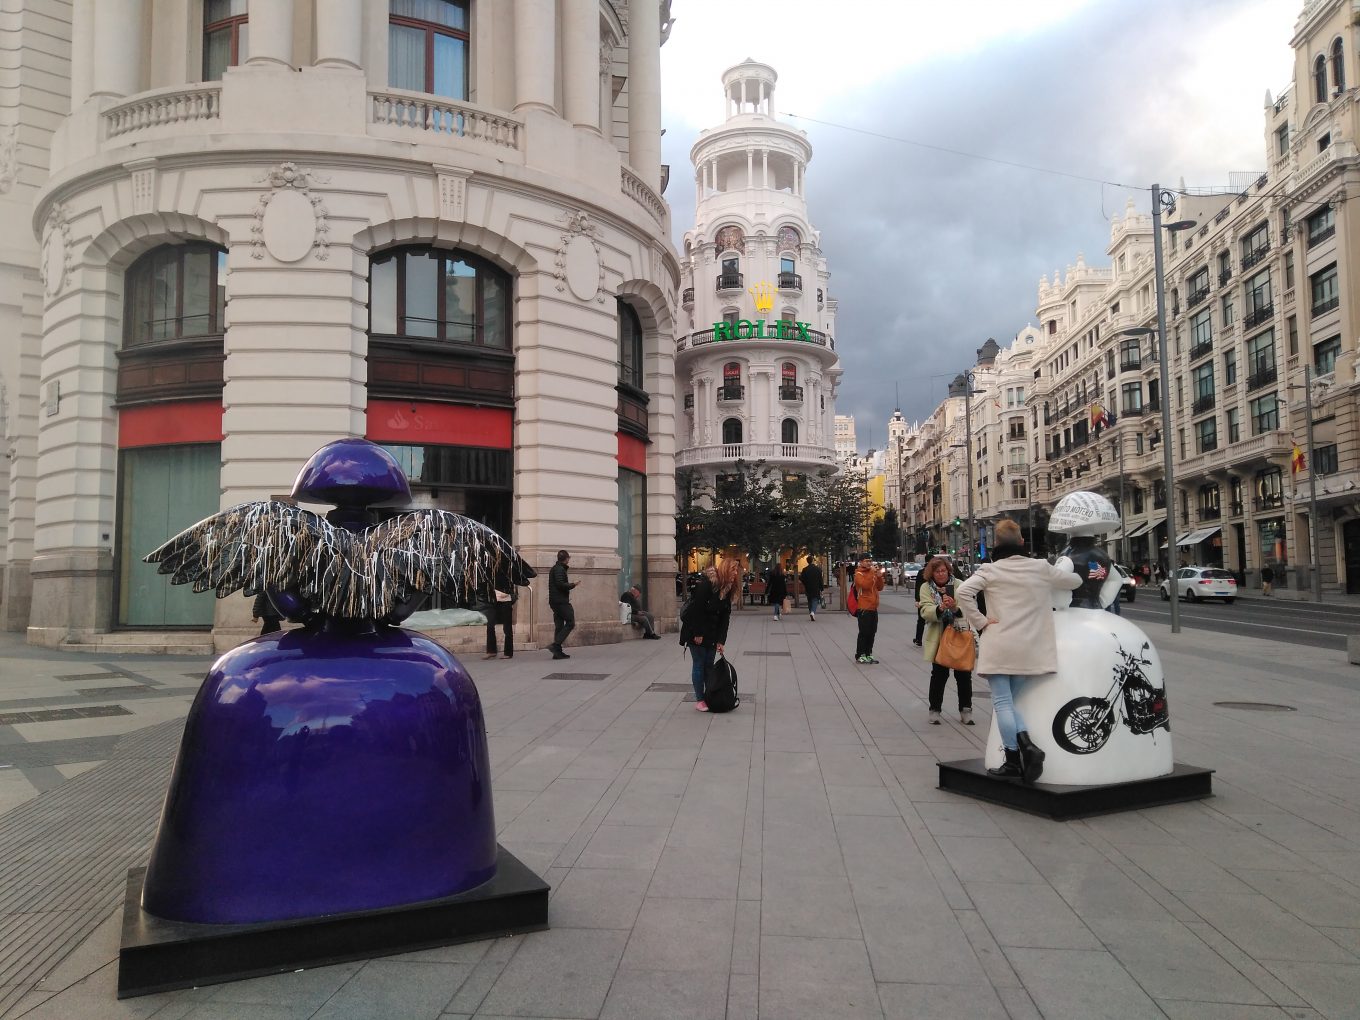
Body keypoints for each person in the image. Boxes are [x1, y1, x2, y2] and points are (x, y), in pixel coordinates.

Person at [955, 520, 1083, 782]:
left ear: (996, 544)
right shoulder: (1040, 567)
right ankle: (1027, 749)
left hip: (1000, 643)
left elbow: (964, 591)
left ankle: (1017, 757)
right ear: (1022, 542)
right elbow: (1074, 581)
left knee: (1003, 702)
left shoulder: (991, 570)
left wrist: (980, 622)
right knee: (1010, 702)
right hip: (1032, 647)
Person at [918, 557, 973, 724]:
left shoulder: (959, 584)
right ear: (931, 573)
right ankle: (934, 710)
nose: (941, 574)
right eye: (937, 571)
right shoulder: (926, 587)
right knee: (939, 675)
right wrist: (940, 608)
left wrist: (955, 607)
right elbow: (925, 611)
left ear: (949, 570)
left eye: (943, 570)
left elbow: (969, 607)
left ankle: (966, 710)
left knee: (963, 674)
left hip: (960, 634)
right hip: (939, 636)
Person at [679, 561, 738, 711]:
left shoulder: (727, 589)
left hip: (712, 633)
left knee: (709, 666)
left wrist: (721, 640)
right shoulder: (706, 585)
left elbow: (725, 616)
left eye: (737, 571)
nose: (736, 574)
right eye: (733, 570)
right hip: (696, 631)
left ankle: (709, 696)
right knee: (699, 664)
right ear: (725, 570)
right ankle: (700, 699)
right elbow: (697, 610)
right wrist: (697, 634)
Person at [485, 555, 536, 659]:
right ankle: (491, 650)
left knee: (507, 627)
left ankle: (508, 653)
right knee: (490, 625)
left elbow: (526, 579)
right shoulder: (488, 569)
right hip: (493, 600)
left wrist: (510, 593)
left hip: (505, 600)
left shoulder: (508, 569)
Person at [851, 553, 886, 664]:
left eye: (870, 561)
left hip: (873, 607)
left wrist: (879, 577)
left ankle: (868, 653)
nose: (869, 563)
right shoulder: (858, 574)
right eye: (866, 561)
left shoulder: (873, 573)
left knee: (872, 632)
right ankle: (860, 654)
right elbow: (865, 585)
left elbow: (879, 588)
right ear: (861, 562)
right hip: (864, 607)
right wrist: (873, 574)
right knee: (864, 632)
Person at [547, 549, 577, 659]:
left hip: (555, 601)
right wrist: (572, 585)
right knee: (570, 622)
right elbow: (560, 584)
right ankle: (555, 646)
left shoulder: (556, 568)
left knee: (559, 625)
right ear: (566, 559)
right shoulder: (559, 569)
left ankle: (557, 652)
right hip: (560, 601)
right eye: (568, 558)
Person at [912, 564, 929, 646]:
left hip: (922, 599)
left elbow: (917, 586)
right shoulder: (935, 571)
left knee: (921, 620)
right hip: (933, 599)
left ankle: (919, 639)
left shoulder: (921, 572)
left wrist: (917, 599)